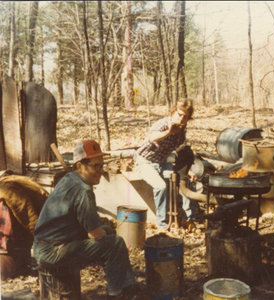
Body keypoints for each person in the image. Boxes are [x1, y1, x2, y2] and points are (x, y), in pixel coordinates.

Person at [33, 140, 136, 299]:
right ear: (79, 166)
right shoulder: (83, 190)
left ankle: (126, 284)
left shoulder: (70, 178)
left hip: (45, 245)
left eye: (102, 165)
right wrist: (98, 231)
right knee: (115, 243)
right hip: (52, 252)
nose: (101, 171)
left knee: (108, 232)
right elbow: (95, 234)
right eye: (96, 166)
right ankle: (117, 293)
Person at [134, 98, 194, 228]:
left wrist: (187, 170)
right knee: (161, 186)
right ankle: (162, 224)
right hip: (144, 162)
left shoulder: (181, 130)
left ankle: (188, 218)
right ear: (173, 112)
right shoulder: (162, 124)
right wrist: (168, 132)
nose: (181, 119)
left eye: (185, 117)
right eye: (179, 114)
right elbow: (152, 137)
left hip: (162, 162)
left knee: (183, 180)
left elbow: (179, 149)